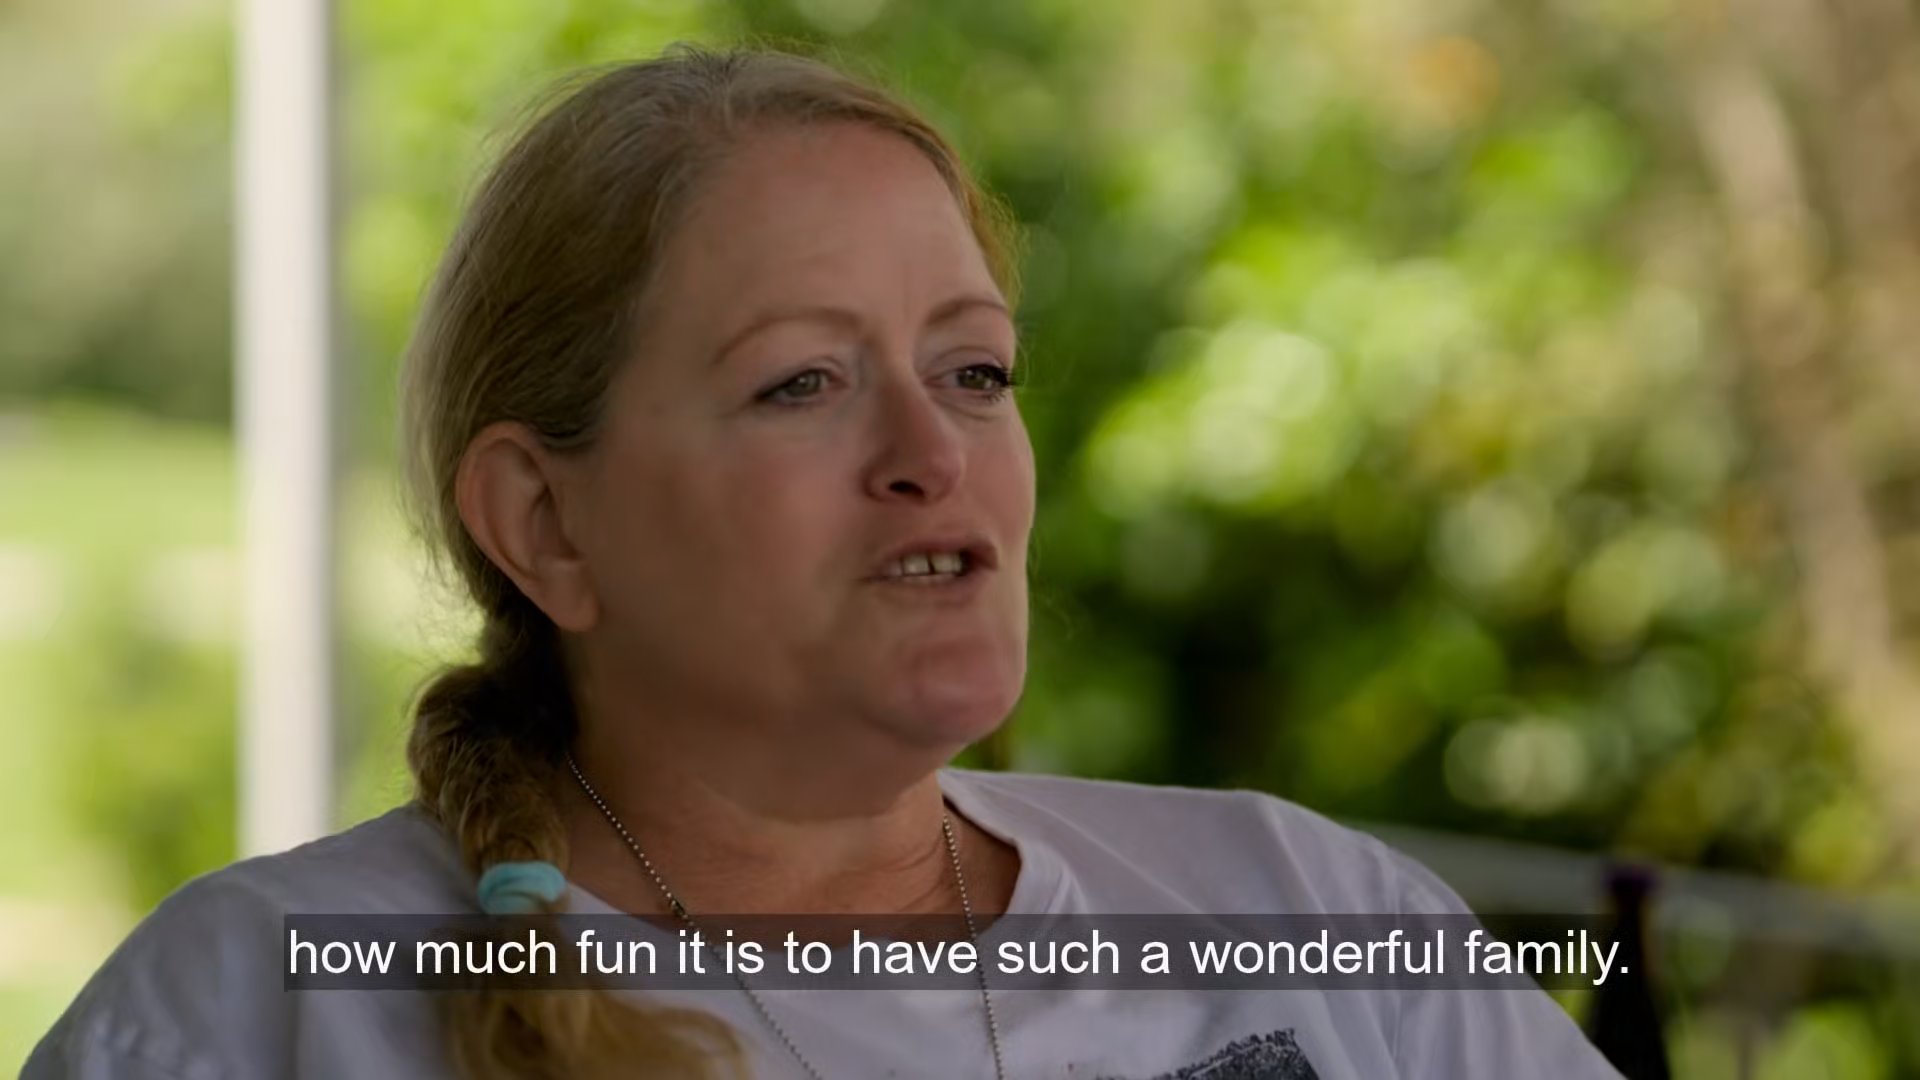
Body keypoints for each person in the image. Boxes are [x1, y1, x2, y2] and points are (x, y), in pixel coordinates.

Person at [24, 46, 1626, 1080]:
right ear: (547, 524)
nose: (933, 449)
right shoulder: (254, 1011)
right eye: (803, 382)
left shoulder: (1311, 912)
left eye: (975, 369)